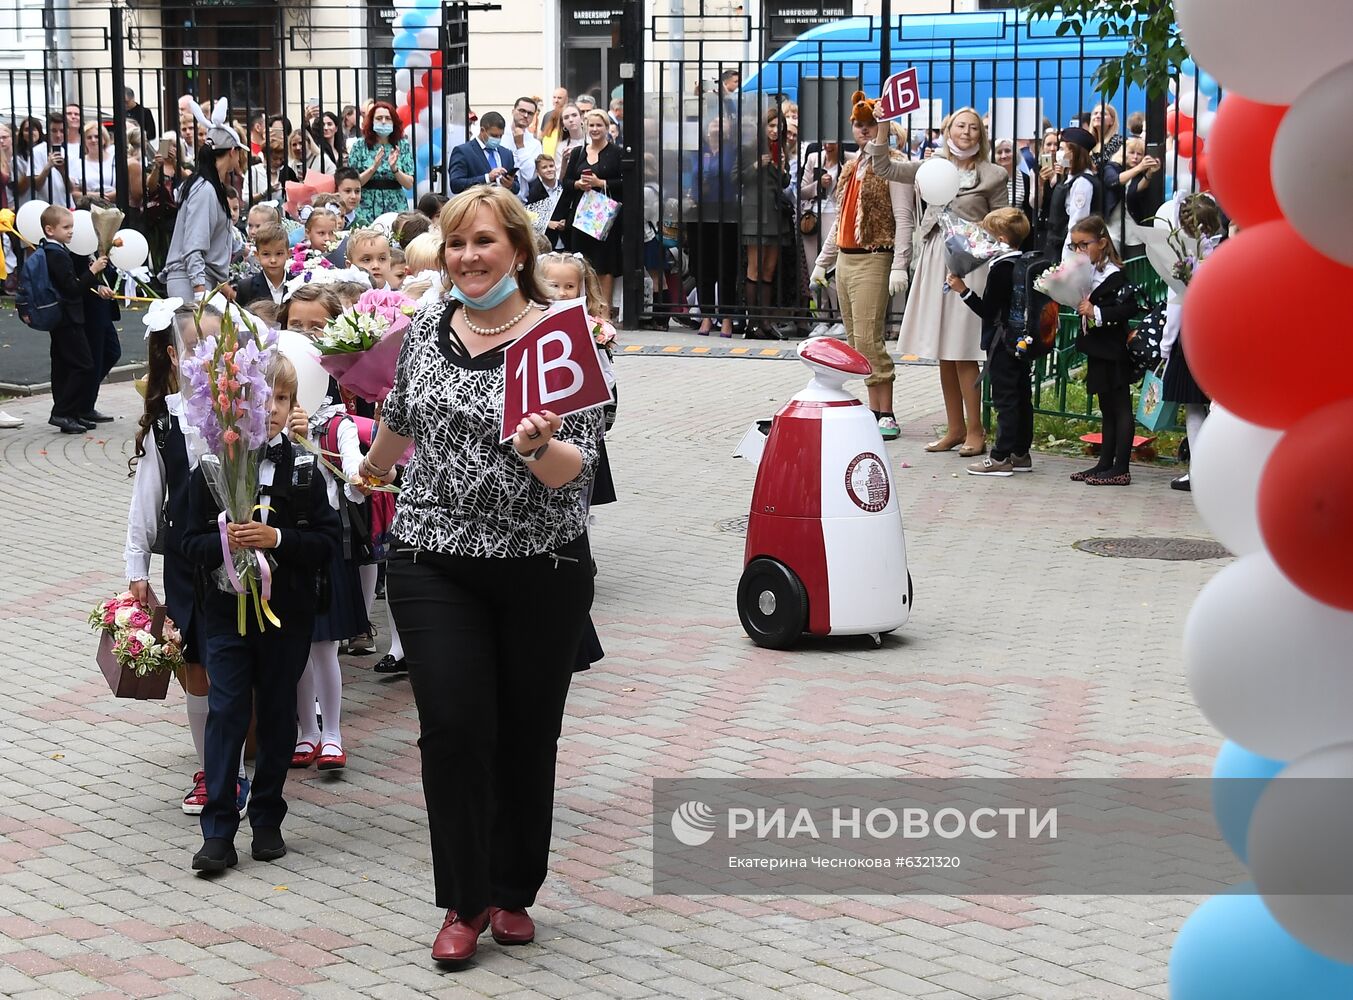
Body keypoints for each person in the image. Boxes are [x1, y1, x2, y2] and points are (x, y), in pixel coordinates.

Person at [357, 185, 599, 964]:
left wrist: (535, 445)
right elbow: (401, 410)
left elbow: (577, 472)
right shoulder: (429, 322)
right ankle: (463, 902)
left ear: (518, 252)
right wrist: (370, 469)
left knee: (527, 734)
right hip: (434, 554)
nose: (466, 257)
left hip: (542, 562)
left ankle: (512, 889)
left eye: (483, 242)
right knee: (455, 729)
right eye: (455, 243)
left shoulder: (561, 336)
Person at [182, 354, 341, 872]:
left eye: (280, 399)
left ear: (294, 406)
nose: (269, 409)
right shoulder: (210, 470)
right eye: (258, 398)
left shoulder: (302, 469)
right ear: (234, 407)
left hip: (286, 614)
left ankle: (268, 816)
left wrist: (277, 538)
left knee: (277, 715)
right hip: (226, 614)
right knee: (227, 712)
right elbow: (185, 543)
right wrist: (222, 543)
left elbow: (326, 542)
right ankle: (219, 828)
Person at [125, 303, 249, 815]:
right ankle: (217, 773)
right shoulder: (164, 424)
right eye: (198, 348)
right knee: (196, 668)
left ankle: (247, 758)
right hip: (186, 560)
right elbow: (147, 496)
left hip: (243, 552)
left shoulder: (248, 412)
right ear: (175, 356)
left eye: (220, 348)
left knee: (239, 667)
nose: (210, 358)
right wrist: (136, 565)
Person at [867, 106, 1008, 455]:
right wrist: (883, 126)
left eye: (974, 128)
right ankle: (955, 429)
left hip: (972, 263)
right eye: (961, 125)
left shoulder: (993, 174)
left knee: (963, 350)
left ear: (982, 135)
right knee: (945, 352)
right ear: (948, 130)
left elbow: (1005, 221)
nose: (967, 132)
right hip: (934, 257)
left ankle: (976, 430)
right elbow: (883, 167)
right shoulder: (932, 165)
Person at [811, 94, 913, 440]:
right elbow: (842, 221)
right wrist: (823, 262)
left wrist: (900, 263)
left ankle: (887, 411)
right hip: (846, 259)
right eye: (859, 124)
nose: (864, 130)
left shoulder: (894, 164)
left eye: (870, 124)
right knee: (856, 341)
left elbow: (903, 217)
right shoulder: (852, 167)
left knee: (870, 338)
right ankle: (873, 410)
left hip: (875, 256)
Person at [946, 207, 1035, 476]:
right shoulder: (1024, 262)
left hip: (1001, 343)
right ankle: (1021, 452)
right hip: (1022, 342)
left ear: (1002, 239)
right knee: (1021, 396)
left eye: (988, 235)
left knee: (1005, 399)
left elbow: (988, 311)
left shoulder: (1000, 269)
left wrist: (963, 292)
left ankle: (1000, 457)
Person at [1067, 215, 1142, 486]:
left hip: (1113, 349)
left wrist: (1096, 312)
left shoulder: (1114, 274)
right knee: (1106, 407)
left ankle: (1121, 467)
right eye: (1074, 246)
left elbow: (1128, 308)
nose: (1079, 251)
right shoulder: (1089, 272)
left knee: (1121, 408)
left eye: (1083, 245)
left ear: (1101, 242)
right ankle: (1105, 462)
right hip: (1098, 349)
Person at [1161, 194, 1223, 492]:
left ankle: (1199, 470)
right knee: (1218, 407)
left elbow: (1177, 306)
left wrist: (1165, 345)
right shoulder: (1224, 251)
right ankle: (1219, 468)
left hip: (1192, 339)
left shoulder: (1186, 261)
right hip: (1221, 337)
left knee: (1194, 408)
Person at [37, 205, 112, 433]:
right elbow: (72, 288)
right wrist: (93, 270)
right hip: (68, 319)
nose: (71, 231)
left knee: (64, 366)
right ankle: (62, 412)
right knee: (84, 365)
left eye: (72, 226)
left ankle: (70, 413)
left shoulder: (55, 251)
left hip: (65, 319)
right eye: (66, 227)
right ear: (50, 230)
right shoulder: (56, 254)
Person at [161, 109, 239, 301]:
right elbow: (194, 244)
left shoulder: (209, 186)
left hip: (200, 280)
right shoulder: (205, 189)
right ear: (232, 152)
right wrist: (199, 291)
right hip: (191, 282)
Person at [552, 109, 623, 315]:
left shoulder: (617, 153)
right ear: (585, 127)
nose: (594, 129)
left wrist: (601, 183)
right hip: (581, 217)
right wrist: (578, 184)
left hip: (605, 217)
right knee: (582, 262)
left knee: (604, 264)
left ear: (607, 127)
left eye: (599, 125)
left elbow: (626, 182)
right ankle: (582, 310)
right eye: (591, 125)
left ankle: (605, 311)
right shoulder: (578, 153)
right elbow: (564, 182)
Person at [736, 107, 795, 340]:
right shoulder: (751, 148)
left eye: (778, 126)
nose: (774, 130)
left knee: (769, 271)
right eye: (770, 125)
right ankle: (752, 324)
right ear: (763, 127)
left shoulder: (782, 149)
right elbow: (736, 178)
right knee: (754, 268)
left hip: (776, 214)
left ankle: (766, 322)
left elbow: (783, 184)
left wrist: (781, 167)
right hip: (754, 213)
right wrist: (756, 165)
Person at [685, 117, 739, 338]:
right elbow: (689, 178)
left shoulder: (732, 151)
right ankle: (706, 316)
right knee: (702, 266)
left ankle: (726, 318)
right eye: (713, 122)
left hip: (726, 212)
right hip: (699, 211)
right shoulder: (698, 151)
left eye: (721, 122)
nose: (716, 125)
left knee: (726, 267)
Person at [347, 102, 414, 228]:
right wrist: (373, 168)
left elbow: (409, 183)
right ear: (371, 121)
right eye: (379, 118)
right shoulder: (359, 146)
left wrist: (395, 169)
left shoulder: (402, 145)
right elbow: (353, 182)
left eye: (388, 118)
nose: (383, 122)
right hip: (366, 203)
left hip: (395, 202)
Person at [1045, 126, 1102, 260]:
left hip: (1069, 251)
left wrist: (1067, 258)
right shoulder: (1069, 178)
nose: (1058, 153)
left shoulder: (1082, 183)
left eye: (1062, 149)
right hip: (1056, 245)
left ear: (1073, 153)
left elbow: (1077, 224)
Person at [447, 111, 517, 195]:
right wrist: (487, 178)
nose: (498, 139)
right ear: (482, 130)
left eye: (500, 136)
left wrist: (510, 184)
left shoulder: (506, 154)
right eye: (494, 136)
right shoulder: (463, 152)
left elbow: (517, 187)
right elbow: (456, 184)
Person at [13, 114, 73, 209]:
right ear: (47, 131)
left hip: (67, 206)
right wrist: (48, 167)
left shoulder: (69, 152)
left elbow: (71, 189)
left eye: (62, 131)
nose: (58, 135)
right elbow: (36, 186)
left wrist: (62, 171)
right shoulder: (37, 151)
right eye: (54, 131)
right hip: (46, 208)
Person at [1104, 137, 1162, 226]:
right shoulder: (1112, 167)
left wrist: (1150, 172)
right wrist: (1139, 168)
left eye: (1139, 154)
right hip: (1112, 221)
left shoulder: (1138, 173)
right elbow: (1114, 180)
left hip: (1132, 220)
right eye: (1131, 153)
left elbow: (1136, 189)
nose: (1135, 157)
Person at [233, 222, 289, 306]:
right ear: (257, 255)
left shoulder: (299, 284)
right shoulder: (246, 287)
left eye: (279, 254)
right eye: (266, 254)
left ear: (288, 254)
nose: (273, 260)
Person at [70, 123, 117, 202]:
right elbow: (74, 193)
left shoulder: (115, 160)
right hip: (88, 207)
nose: (93, 140)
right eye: (89, 137)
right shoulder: (78, 163)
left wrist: (107, 197)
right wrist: (94, 196)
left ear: (104, 139)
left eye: (97, 137)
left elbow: (126, 187)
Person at [506, 97, 543, 196]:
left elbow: (530, 176)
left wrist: (520, 146)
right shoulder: (500, 135)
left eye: (530, 113)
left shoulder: (535, 144)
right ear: (513, 111)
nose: (526, 115)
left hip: (520, 201)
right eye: (522, 111)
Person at [1088, 103, 1122, 170]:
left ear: (1112, 121)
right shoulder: (1088, 142)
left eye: (1103, 114)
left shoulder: (1118, 141)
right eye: (1095, 113)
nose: (1098, 116)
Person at [538, 87, 569, 158]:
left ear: (566, 100)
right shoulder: (547, 115)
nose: (556, 100)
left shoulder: (569, 116)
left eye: (559, 98)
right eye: (554, 97)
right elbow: (541, 137)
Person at [553, 103, 585, 172]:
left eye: (574, 115)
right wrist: (564, 161)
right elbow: (560, 178)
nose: (571, 120)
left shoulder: (592, 140)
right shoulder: (561, 147)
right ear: (563, 123)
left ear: (581, 118)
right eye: (566, 117)